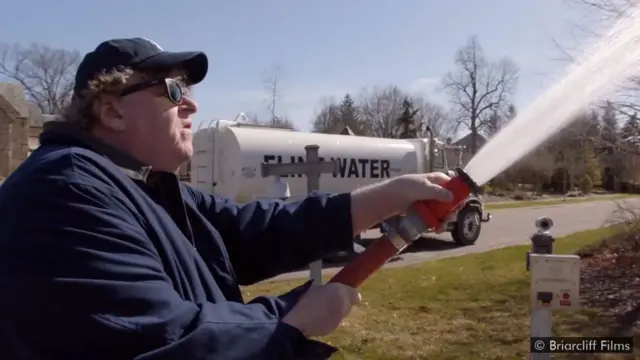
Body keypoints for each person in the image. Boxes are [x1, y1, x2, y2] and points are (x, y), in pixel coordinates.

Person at [0, 37, 454, 360]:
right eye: (173, 90)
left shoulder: (138, 184)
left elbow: (251, 230)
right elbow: (159, 340)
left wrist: (386, 198)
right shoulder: (67, 191)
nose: (192, 105)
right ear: (112, 110)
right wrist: (291, 320)